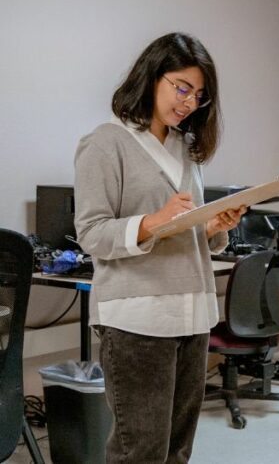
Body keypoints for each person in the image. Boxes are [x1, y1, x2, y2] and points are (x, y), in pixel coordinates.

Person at [74, 33, 247, 463]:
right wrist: (152, 222)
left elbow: (183, 228)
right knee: (141, 451)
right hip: (137, 319)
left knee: (177, 451)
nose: (189, 102)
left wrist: (212, 225)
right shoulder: (105, 142)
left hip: (192, 314)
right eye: (181, 87)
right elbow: (92, 232)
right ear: (152, 77)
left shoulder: (184, 148)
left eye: (199, 95)